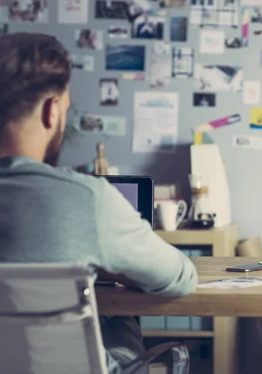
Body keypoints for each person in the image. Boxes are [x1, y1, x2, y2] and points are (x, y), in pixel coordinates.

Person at [0, 33, 198, 373]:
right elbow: (180, 278)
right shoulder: (86, 199)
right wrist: (112, 265)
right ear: (52, 111)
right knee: (119, 323)